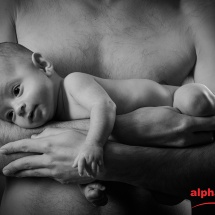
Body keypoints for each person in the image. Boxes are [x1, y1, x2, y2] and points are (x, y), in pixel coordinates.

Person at [1, 0, 215, 214]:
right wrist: (133, 129)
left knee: (195, 102)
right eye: (9, 114)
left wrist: (105, 154)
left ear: (43, 64)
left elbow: (209, 167)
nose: (17, 109)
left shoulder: (199, 11)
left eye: (17, 91)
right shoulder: (10, 6)